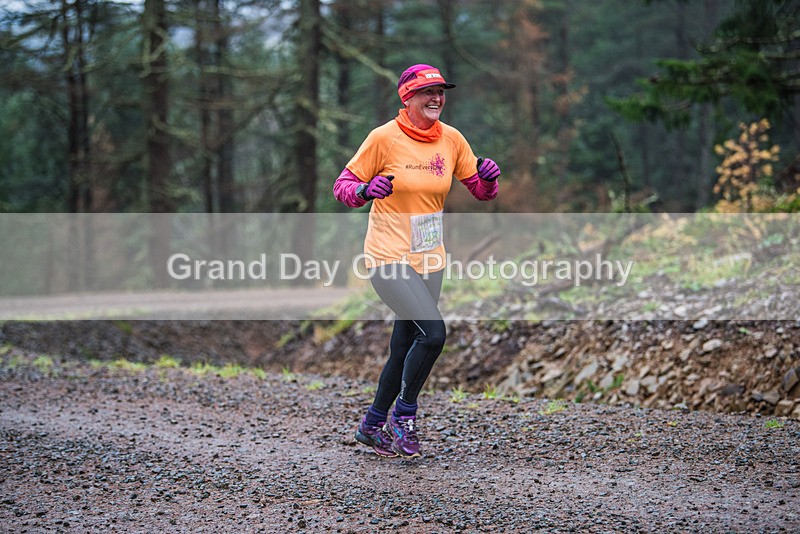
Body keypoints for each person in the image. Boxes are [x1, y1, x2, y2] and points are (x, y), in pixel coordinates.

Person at [333, 63, 501, 458]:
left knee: (405, 344)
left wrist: (490, 178)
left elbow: (480, 190)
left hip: (430, 259)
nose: (437, 99)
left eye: (441, 92)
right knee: (434, 334)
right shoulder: (383, 139)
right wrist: (364, 189)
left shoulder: (452, 140)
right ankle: (403, 415)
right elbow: (342, 187)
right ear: (407, 98)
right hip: (388, 257)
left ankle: (372, 424)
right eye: (428, 92)